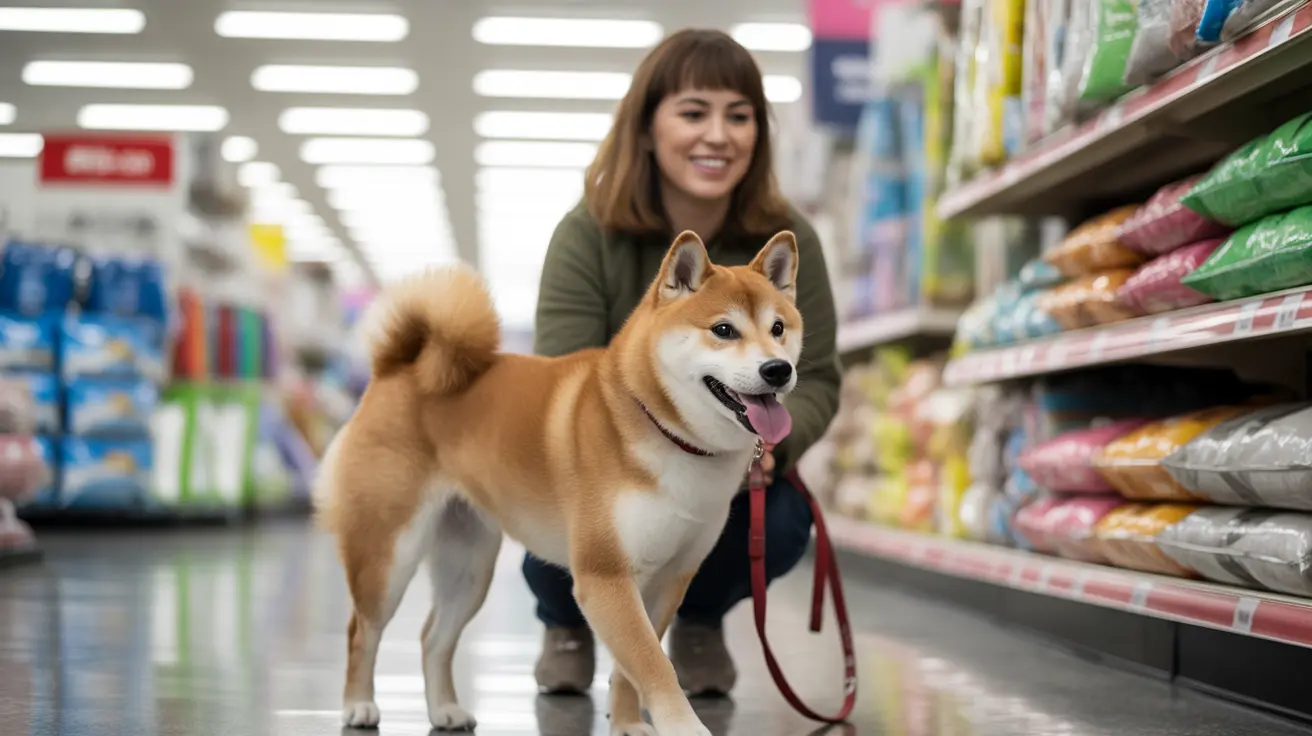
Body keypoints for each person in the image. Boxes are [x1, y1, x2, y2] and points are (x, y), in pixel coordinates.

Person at [524, 27, 842, 698]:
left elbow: (815, 377)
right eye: (694, 112)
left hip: (732, 454)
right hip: (610, 452)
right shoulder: (588, 234)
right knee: (565, 503)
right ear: (646, 127)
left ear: (759, 129)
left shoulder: (789, 237)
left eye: (739, 114)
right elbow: (559, 371)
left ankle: (695, 620)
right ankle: (569, 622)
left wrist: (768, 451)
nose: (718, 135)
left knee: (781, 519)